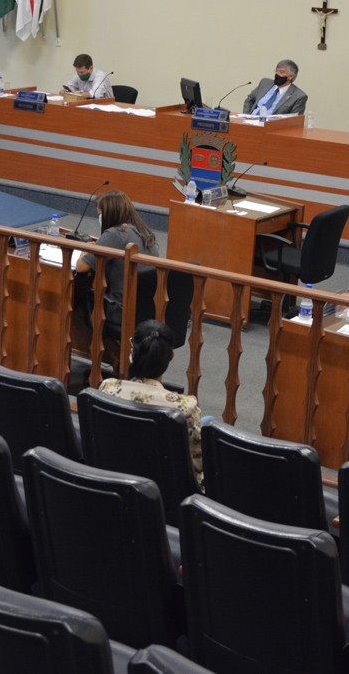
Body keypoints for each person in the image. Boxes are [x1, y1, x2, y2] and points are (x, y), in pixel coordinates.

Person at [99, 319, 204, 486]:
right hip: (166, 489)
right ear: (170, 357)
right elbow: (197, 467)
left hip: (114, 480)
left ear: (132, 353)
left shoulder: (108, 388)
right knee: (208, 422)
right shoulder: (185, 407)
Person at [75, 189, 160, 327]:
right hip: (148, 309)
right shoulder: (142, 231)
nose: (100, 218)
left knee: (77, 296)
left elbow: (81, 267)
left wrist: (85, 249)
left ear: (109, 214)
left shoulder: (115, 234)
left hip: (121, 310)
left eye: (100, 214)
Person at [241, 59, 308, 116]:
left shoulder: (299, 96)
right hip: (249, 122)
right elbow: (249, 99)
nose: (277, 74)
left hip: (271, 126)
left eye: (281, 72)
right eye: (276, 71)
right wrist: (246, 116)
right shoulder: (265, 83)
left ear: (290, 77)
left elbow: (294, 120)